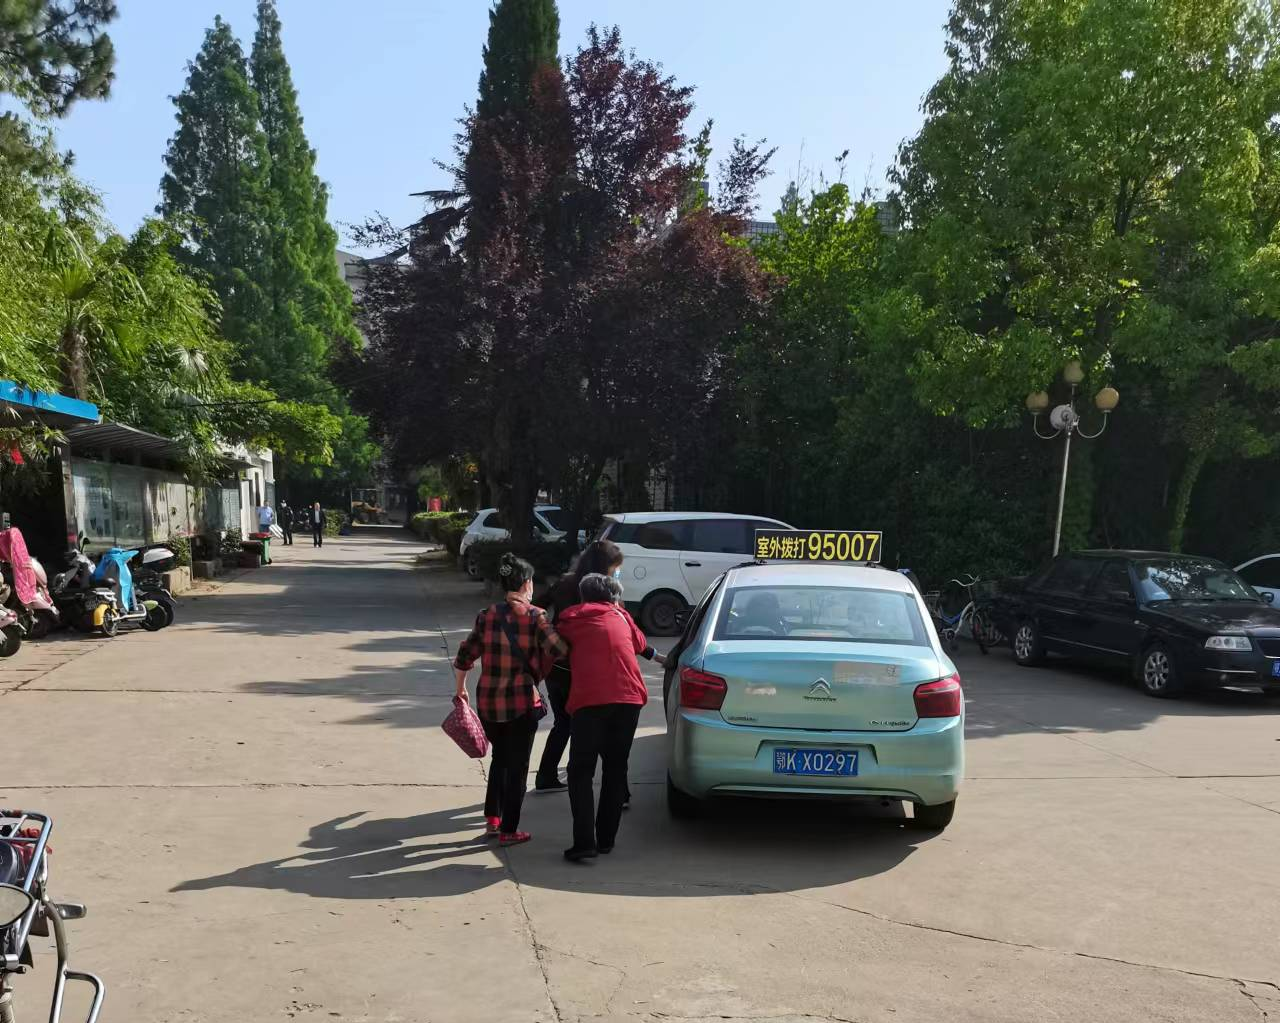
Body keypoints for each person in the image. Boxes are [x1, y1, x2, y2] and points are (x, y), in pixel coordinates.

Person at [454, 553, 569, 847]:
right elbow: (559, 649)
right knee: (518, 766)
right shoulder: (536, 616)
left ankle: (493, 819)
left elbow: (466, 655)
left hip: (488, 703)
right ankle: (509, 829)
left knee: (500, 758)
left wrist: (461, 689)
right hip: (520, 703)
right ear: (527, 582)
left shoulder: (486, 615)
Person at [555, 573, 665, 862]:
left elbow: (554, 649)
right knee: (616, 769)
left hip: (590, 701)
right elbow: (641, 644)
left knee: (581, 771)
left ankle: (584, 842)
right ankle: (605, 840)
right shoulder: (622, 616)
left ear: (583, 596)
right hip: (629, 700)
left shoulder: (570, 619)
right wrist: (663, 659)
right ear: (614, 598)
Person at [535, 539, 626, 792]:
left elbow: (536, 608)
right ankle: (598, 784)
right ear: (606, 566)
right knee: (590, 727)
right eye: (615, 567)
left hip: (556, 668)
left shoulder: (565, 582)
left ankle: (546, 776)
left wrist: (551, 635)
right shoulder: (603, 591)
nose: (617, 572)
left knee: (563, 723)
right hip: (582, 671)